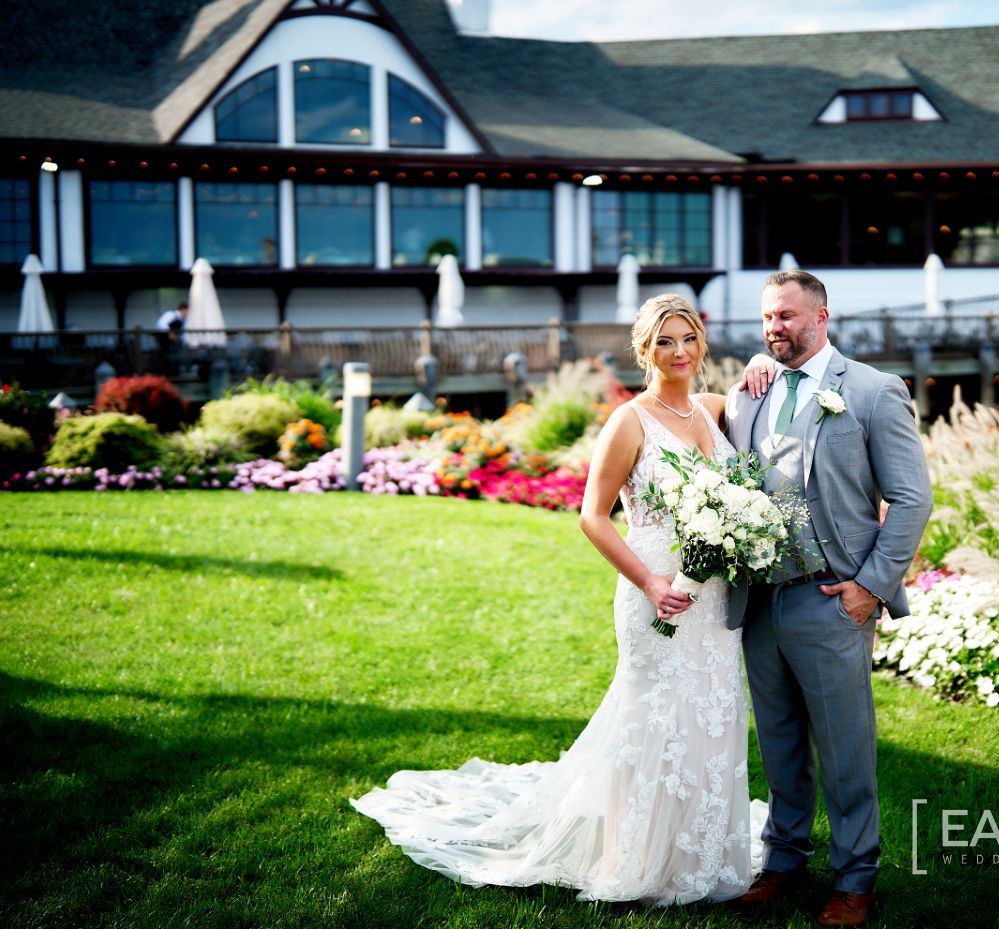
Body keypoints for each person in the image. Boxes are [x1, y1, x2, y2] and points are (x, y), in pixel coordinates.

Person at [350, 294, 766, 904]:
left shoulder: (712, 410)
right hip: (652, 590)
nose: (679, 352)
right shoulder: (630, 420)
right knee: (650, 716)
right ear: (644, 350)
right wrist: (650, 582)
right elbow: (592, 517)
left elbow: (766, 399)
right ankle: (635, 858)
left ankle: (701, 854)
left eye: (689, 339)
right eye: (665, 342)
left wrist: (759, 359)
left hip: (712, 598)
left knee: (713, 713)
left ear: (703, 344)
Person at [725, 270, 932, 927]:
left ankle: (855, 880)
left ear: (821, 316)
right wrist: (757, 365)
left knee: (844, 752)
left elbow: (912, 496)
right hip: (761, 600)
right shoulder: (752, 392)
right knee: (780, 744)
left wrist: (870, 587)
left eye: (785, 316)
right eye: (766, 318)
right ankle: (783, 860)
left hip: (832, 598)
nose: (773, 327)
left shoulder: (872, 391)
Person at [155, 301, 187, 374]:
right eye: (186, 311)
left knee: (174, 358)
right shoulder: (171, 315)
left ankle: (173, 372)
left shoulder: (183, 320)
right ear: (183, 309)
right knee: (165, 358)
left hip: (174, 343)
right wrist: (170, 333)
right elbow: (161, 324)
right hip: (164, 341)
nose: (187, 313)